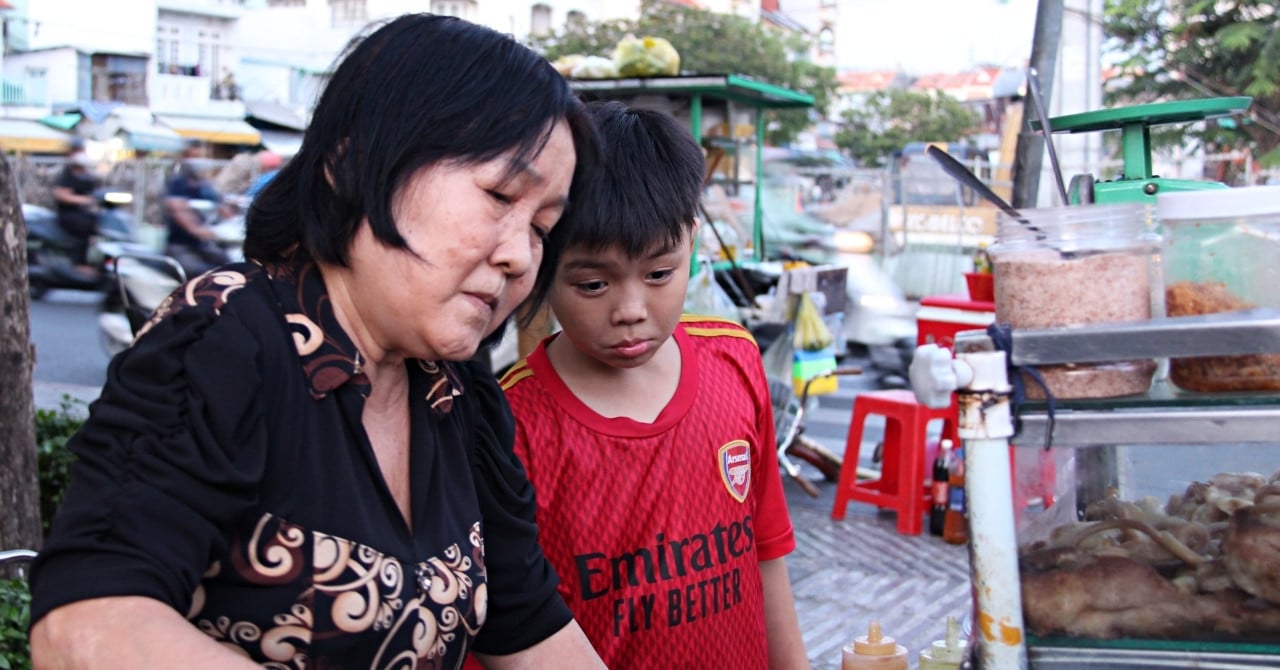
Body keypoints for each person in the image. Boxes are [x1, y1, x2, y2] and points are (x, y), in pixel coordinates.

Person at [28, 14, 606, 669]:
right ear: (352, 163)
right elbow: (88, 624)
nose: (519, 258)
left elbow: (528, 628)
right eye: (500, 194)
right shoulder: (225, 337)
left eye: (543, 227)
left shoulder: (460, 392)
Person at [498, 101, 810, 668]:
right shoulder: (514, 424)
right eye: (593, 284)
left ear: (692, 241)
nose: (631, 310)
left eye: (660, 273)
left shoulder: (734, 362)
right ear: (540, 261)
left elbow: (767, 552)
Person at [164, 144, 232, 276]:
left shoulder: (204, 185)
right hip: (181, 245)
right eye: (193, 157)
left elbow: (222, 206)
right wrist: (197, 230)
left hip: (205, 244)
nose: (197, 161)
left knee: (231, 267)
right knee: (200, 273)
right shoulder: (179, 183)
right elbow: (178, 209)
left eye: (200, 157)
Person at [49, 147, 100, 277]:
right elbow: (61, 194)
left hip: (84, 213)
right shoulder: (66, 175)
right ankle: (79, 264)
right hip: (69, 215)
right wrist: (83, 200)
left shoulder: (86, 175)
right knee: (84, 227)